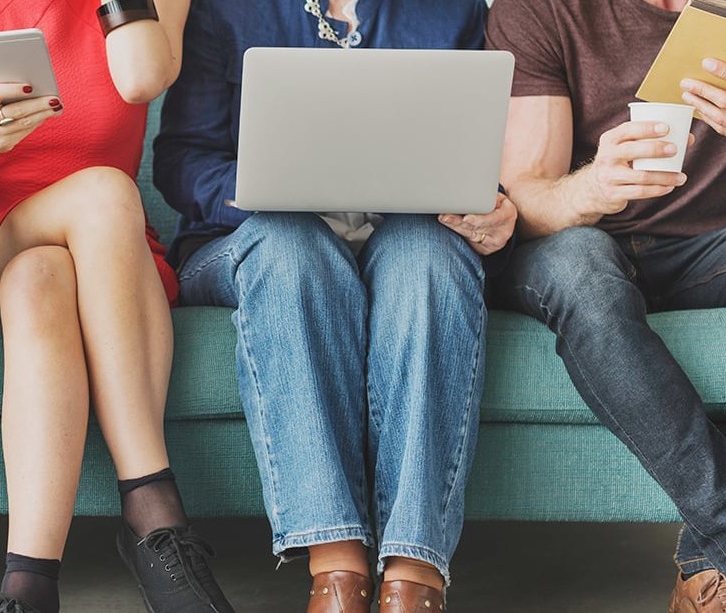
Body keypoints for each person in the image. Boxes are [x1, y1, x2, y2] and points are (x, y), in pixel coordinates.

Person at [154, 1, 513, 611]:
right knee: (294, 249)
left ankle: (413, 572)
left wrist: (497, 204)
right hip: (258, 240)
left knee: (429, 258)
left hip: (405, 233)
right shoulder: (226, 11)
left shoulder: (453, 11)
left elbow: (485, 153)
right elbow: (181, 160)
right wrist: (269, 191)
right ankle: (336, 564)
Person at [0, 1, 232, 611]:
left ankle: (28, 582)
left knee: (40, 279)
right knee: (103, 190)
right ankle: (155, 513)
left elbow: (141, 79)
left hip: (111, 249)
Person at [488, 0, 726, 610]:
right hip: (579, 244)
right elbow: (526, 202)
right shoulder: (538, 9)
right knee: (581, 270)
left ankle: (715, 567)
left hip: (720, 251)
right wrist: (594, 185)